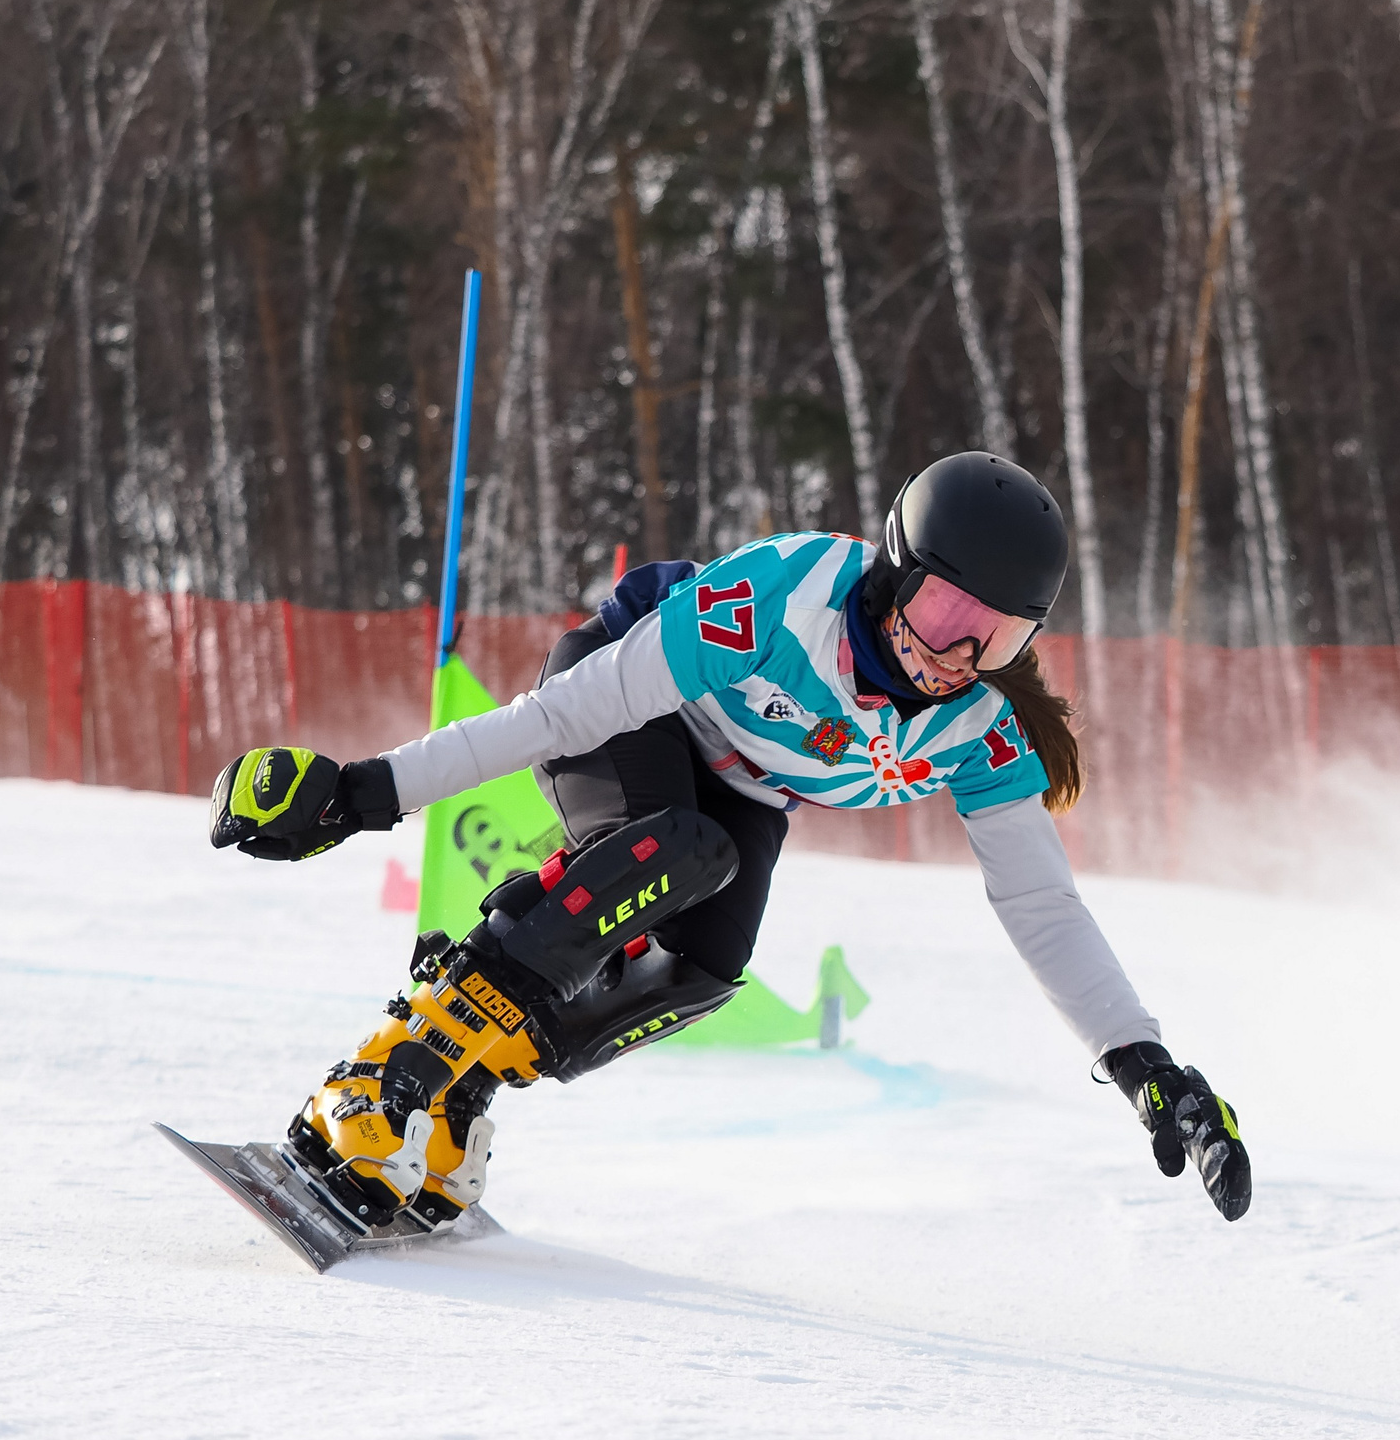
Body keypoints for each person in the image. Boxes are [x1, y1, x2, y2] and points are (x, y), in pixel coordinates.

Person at [206, 452, 1249, 1236]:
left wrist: (1142, 1063)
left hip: (739, 784)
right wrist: (364, 793)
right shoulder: (777, 604)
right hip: (624, 704)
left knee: (701, 967)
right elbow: (558, 720)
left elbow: (1042, 906)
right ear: (893, 570)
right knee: (679, 852)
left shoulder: (980, 728)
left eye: (995, 636)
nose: (953, 654)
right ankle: (388, 1074)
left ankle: (466, 1084)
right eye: (940, 609)